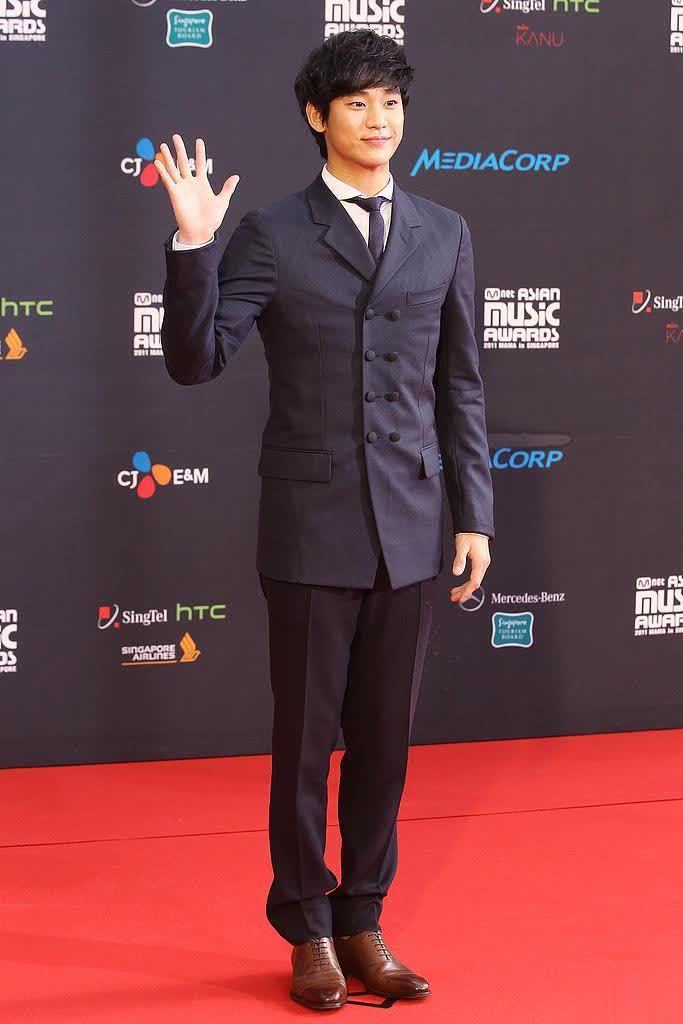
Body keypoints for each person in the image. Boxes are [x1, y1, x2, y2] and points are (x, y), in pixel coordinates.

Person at [156, 28, 494, 1012]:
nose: (377, 119)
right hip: (309, 526)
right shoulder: (270, 232)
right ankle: (306, 926)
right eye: (356, 102)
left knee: (383, 744)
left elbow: (460, 384)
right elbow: (194, 361)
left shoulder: (444, 231)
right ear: (317, 116)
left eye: (390, 101)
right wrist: (193, 245)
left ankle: (363, 921)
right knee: (305, 745)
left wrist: (473, 512)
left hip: (412, 526)